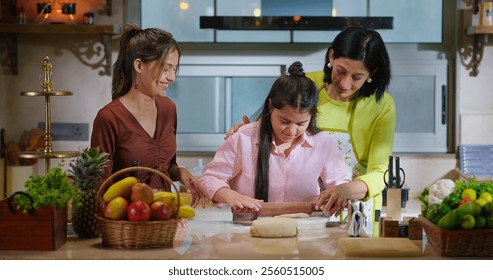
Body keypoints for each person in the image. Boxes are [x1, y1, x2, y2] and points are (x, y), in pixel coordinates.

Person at [227, 27, 395, 236]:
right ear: (331, 56)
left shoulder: (382, 106)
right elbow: (273, 126)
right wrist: (245, 130)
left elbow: (380, 173)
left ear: (373, 72)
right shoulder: (308, 85)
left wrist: (345, 190)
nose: (344, 83)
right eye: (341, 71)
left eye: (357, 77)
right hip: (303, 211)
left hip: (355, 205)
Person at [198, 61, 351, 213]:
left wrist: (339, 194)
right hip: (249, 232)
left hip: (306, 232)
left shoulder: (323, 143)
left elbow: (342, 185)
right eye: (284, 121)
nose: (291, 131)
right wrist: (232, 196)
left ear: (312, 115)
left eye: (301, 123)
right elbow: (208, 179)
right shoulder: (244, 138)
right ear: (271, 106)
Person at [91, 23, 208, 207]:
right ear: (139, 65)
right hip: (128, 222)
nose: (172, 77)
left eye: (174, 69)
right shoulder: (109, 118)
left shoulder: (168, 108)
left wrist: (181, 173)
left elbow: (166, 166)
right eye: (165, 68)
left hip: (163, 218)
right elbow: (101, 187)